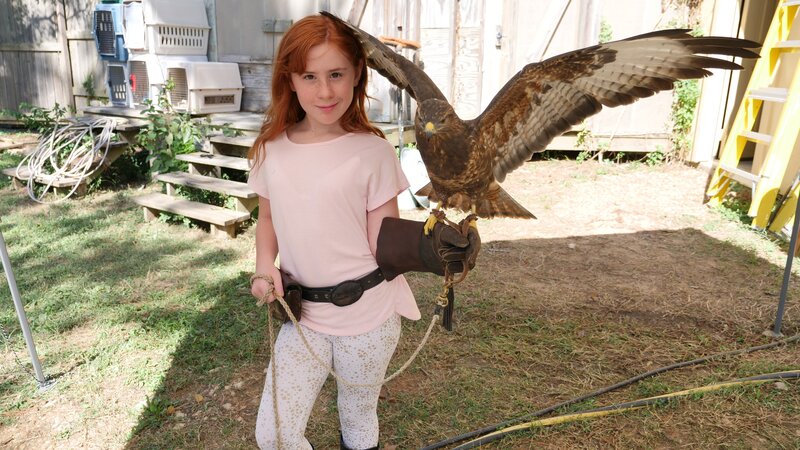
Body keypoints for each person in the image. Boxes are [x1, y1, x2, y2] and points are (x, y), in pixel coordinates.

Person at [247, 13, 479, 450]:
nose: (326, 90)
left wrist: (432, 247)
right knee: (275, 432)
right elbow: (269, 219)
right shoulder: (270, 150)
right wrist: (264, 267)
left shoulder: (372, 151)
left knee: (357, 418)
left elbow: (384, 239)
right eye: (310, 76)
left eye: (337, 74)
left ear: (357, 74)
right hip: (303, 316)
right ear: (290, 80)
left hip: (369, 315)